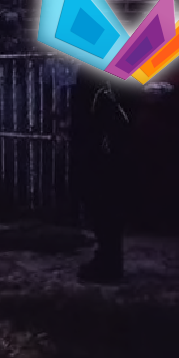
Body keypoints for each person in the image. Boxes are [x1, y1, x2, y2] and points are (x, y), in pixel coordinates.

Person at [70, 66, 132, 283]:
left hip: (99, 148)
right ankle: (109, 259)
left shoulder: (95, 73)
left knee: (101, 205)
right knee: (107, 207)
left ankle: (108, 262)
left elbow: (88, 114)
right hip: (111, 147)